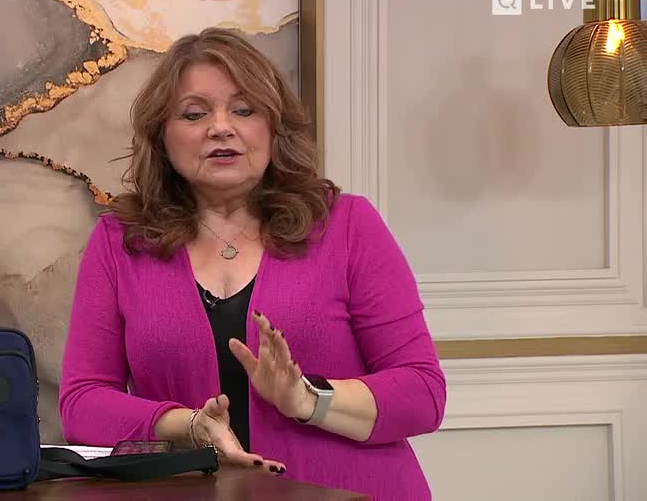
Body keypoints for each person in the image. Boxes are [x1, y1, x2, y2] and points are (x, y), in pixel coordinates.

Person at [58, 27, 446, 500]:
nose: (221, 127)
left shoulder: (348, 225)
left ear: (273, 126)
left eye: (244, 109)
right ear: (163, 135)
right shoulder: (119, 241)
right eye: (194, 113)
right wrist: (191, 426)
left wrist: (307, 399)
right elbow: (82, 404)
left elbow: (422, 394)